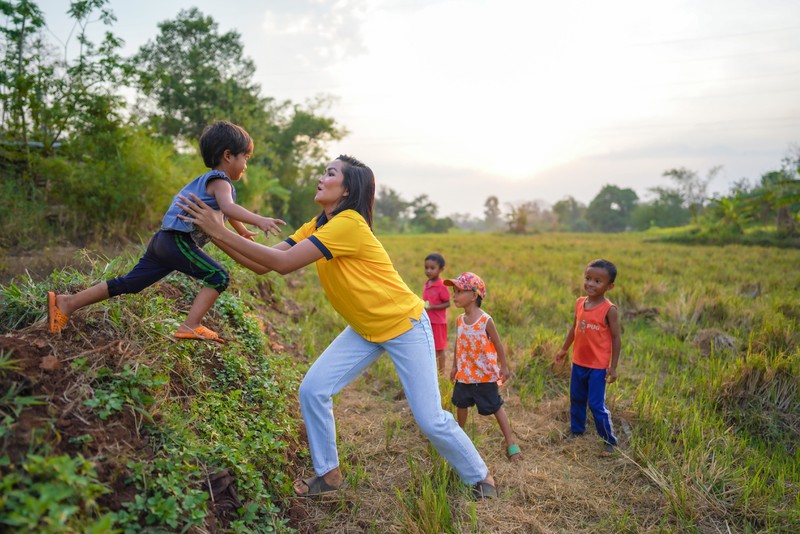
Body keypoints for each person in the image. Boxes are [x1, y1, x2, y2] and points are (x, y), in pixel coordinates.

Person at [175, 155, 498, 499]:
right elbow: (263, 264)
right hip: (365, 327)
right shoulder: (317, 225)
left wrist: (217, 228)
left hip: (403, 324)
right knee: (313, 390)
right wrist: (214, 234)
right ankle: (328, 475)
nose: (321, 177)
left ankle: (481, 478)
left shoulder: (349, 224)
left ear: (346, 190)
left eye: (330, 173)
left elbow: (282, 264)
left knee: (430, 419)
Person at [46, 120, 285, 343]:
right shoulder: (222, 181)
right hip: (178, 241)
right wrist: (259, 219)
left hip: (163, 240)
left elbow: (228, 214)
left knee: (130, 283)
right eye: (246, 157)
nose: (246, 165)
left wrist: (242, 232)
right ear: (228, 155)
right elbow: (228, 208)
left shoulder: (208, 180)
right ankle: (191, 324)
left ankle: (68, 303)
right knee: (219, 277)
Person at [445, 272, 521, 462]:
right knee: (461, 404)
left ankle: (510, 441)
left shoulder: (486, 320)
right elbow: (458, 343)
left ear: (474, 295)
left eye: (459, 291)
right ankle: (459, 437)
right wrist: (455, 366)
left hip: (484, 376)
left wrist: (503, 366)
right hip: (464, 374)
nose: (454, 295)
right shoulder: (460, 320)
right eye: (454, 291)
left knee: (495, 406)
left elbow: (497, 343)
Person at [554, 259, 621, 457]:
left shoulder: (609, 310)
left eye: (598, 281)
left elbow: (617, 339)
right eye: (588, 278)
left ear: (610, 286)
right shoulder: (579, 303)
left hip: (598, 366)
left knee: (596, 404)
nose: (591, 284)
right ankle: (576, 431)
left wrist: (613, 367)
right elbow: (574, 328)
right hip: (579, 362)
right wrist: (564, 349)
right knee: (576, 398)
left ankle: (609, 441)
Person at [422, 252, 450, 374]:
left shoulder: (442, 286)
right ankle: (432, 371)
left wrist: (433, 307)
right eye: (426, 268)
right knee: (430, 347)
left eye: (432, 268)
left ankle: (441, 372)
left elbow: (448, 303)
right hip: (428, 321)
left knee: (439, 348)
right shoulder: (427, 283)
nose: (428, 271)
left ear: (441, 270)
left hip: (438, 322)